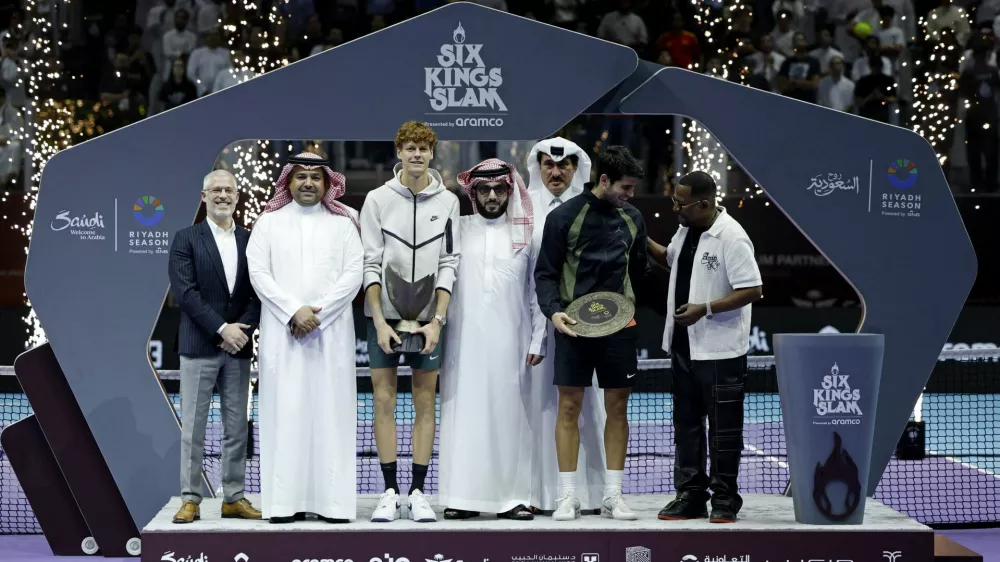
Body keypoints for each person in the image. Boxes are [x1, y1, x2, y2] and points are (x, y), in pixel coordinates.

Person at [534, 145, 653, 521]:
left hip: (620, 331)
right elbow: (546, 274)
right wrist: (553, 313)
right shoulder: (565, 217)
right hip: (573, 328)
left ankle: (613, 496)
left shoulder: (633, 217)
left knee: (618, 408)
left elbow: (640, 271)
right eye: (626, 187)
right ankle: (568, 496)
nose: (630, 195)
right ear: (604, 179)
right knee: (569, 407)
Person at [246, 152, 363, 523]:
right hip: (284, 339)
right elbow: (259, 273)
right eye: (301, 177)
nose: (309, 183)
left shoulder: (344, 225)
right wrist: (293, 311)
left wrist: (317, 315)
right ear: (288, 183)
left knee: (332, 417)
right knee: (285, 414)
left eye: (316, 176)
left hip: (331, 339)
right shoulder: (268, 222)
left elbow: (353, 274)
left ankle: (334, 505)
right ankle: (282, 504)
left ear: (328, 184)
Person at [647, 170, 763, 524]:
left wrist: (705, 308)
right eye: (674, 201)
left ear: (704, 203)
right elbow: (671, 259)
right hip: (683, 347)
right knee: (686, 425)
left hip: (721, 353)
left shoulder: (732, 237)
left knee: (724, 429)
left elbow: (753, 289)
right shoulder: (685, 230)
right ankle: (691, 496)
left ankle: (725, 499)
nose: (675, 208)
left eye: (680, 203)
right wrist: (638, 238)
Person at [360, 121, 461, 523]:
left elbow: (450, 263)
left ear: (431, 153)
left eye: (423, 148)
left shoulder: (449, 201)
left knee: (424, 405)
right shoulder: (376, 200)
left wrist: (437, 321)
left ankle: (418, 493)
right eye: (409, 148)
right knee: (383, 402)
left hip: (427, 322)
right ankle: (389, 492)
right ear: (398, 152)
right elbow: (369, 263)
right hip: (383, 321)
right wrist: (380, 321)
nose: (416, 155)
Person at [438, 159, 547, 521]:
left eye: (500, 189)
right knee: (464, 418)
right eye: (483, 189)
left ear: (510, 191)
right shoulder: (459, 228)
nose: (492, 196)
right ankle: (463, 496)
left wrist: (537, 339)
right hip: (462, 346)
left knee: (510, 419)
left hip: (511, 346)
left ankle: (512, 497)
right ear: (473, 193)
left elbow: (536, 293)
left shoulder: (526, 235)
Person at [167, 169, 261, 524]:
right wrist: (222, 328)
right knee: (193, 428)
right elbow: (186, 294)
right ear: (204, 196)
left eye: (229, 190)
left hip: (238, 349)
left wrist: (241, 331)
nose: (223, 195)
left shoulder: (252, 240)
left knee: (237, 428)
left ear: (237, 197)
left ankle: (233, 497)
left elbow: (258, 291)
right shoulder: (185, 238)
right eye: (216, 190)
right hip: (199, 346)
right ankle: (190, 498)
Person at [524, 137, 608, 516]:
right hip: (534, 324)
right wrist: (536, 329)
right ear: (538, 167)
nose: (555, 173)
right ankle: (541, 493)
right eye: (548, 165)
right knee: (539, 408)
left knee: (586, 409)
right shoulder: (521, 207)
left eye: (564, 166)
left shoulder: (595, 209)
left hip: (586, 326)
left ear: (577, 169)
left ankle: (592, 493)